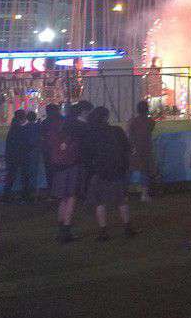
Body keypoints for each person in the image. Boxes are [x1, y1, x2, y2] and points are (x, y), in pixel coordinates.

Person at [82, 107, 135, 240]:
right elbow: (127, 148)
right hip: (117, 170)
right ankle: (127, 228)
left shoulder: (91, 133)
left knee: (100, 202)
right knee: (122, 200)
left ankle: (103, 231)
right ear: (106, 117)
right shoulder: (117, 131)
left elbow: (86, 155)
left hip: (100, 171)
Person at [45, 101, 88, 242]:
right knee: (71, 198)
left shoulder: (54, 126)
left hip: (58, 166)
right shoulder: (76, 126)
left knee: (63, 199)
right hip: (72, 165)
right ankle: (66, 230)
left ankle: (61, 229)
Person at [127, 100, 156, 203]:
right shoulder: (151, 122)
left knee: (129, 172)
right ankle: (144, 195)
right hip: (146, 149)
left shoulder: (132, 121)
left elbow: (129, 134)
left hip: (133, 149)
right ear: (147, 109)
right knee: (145, 172)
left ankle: (124, 194)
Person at [3, 110, 34, 202]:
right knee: (24, 176)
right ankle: (25, 196)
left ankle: (6, 196)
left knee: (11, 176)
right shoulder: (22, 128)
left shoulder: (13, 128)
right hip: (22, 155)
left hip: (13, 156)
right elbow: (26, 142)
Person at [37, 103, 61, 199]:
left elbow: (41, 136)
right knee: (59, 171)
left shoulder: (45, 122)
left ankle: (51, 192)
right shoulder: (62, 120)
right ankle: (59, 192)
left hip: (48, 150)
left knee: (50, 172)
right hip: (60, 150)